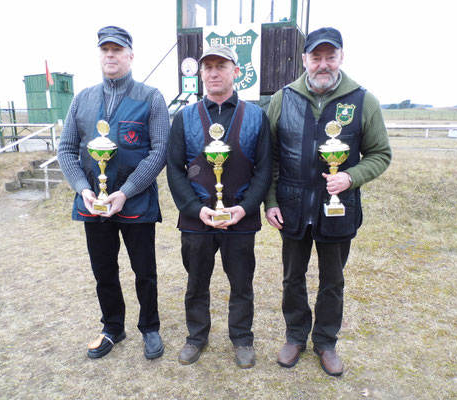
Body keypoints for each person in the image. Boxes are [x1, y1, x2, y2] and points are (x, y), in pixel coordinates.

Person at [265, 27, 392, 376]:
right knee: (292, 278)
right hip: (290, 207)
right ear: (305, 59)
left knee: (332, 281)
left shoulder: (363, 101)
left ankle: (325, 342)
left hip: (340, 208)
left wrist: (351, 176)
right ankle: (294, 336)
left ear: (341, 58)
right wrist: (271, 199)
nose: (323, 64)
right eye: (316, 57)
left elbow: (380, 154)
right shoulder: (282, 98)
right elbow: (271, 156)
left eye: (329, 56)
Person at [57, 26, 169, 360]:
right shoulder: (83, 98)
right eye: (105, 49)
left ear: (130, 56)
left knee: (144, 271)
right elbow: (66, 149)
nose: (110, 55)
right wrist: (83, 188)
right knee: (104, 270)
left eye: (117, 49)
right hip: (94, 203)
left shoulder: (151, 97)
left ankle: (149, 327)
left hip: (136, 201)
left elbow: (159, 150)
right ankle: (112, 328)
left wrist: (127, 190)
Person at [167, 44, 272, 368]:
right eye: (208, 66)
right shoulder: (184, 117)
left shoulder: (256, 116)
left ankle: (242, 338)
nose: (214, 72)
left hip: (240, 218)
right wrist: (194, 208)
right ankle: (196, 337)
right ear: (201, 74)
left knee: (242, 284)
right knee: (196, 282)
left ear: (235, 72)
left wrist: (245, 207)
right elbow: (174, 168)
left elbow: (265, 168)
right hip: (197, 219)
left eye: (221, 66)